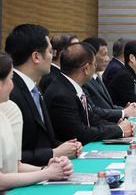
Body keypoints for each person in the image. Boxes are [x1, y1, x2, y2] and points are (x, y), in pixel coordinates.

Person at [5, 24, 82, 166]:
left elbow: (45, 140)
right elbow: (11, 158)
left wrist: (68, 147)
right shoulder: (9, 93)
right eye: (50, 52)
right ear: (36, 57)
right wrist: (54, 153)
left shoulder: (34, 87)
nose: (52, 57)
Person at [0, 52, 73, 192]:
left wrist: (48, 168)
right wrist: (46, 173)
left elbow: (15, 167)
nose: (13, 85)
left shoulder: (3, 114)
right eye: (10, 79)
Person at [44, 43, 134, 145]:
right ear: (86, 68)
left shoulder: (72, 86)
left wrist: (117, 126)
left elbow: (92, 119)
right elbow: (80, 133)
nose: (95, 68)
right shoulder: (61, 95)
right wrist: (119, 130)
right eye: (94, 64)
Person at [82, 37, 136, 123]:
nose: (108, 59)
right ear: (91, 56)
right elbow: (94, 111)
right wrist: (123, 112)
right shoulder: (84, 81)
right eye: (104, 54)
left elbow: (108, 105)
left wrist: (125, 109)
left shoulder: (96, 76)